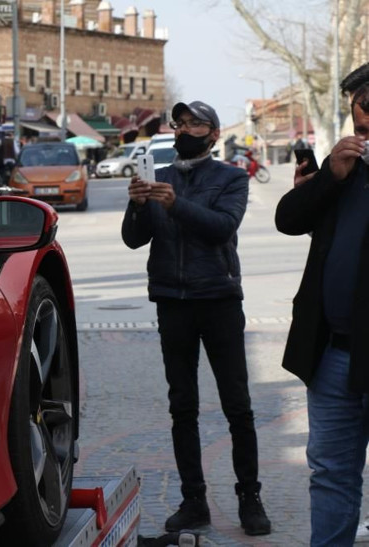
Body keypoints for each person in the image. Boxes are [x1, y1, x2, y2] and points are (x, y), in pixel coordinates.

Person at [121, 100, 271, 537]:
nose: (186, 129)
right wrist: (136, 205)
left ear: (214, 134)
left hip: (218, 298)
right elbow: (135, 240)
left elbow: (222, 226)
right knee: (181, 407)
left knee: (237, 406)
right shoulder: (159, 176)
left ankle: (250, 497)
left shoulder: (231, 177)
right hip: (173, 300)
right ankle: (193, 499)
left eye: (196, 124)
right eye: (180, 123)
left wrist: (174, 206)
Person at [275, 62, 369, 547]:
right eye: (360, 117)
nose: (365, 128)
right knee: (331, 474)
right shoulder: (344, 170)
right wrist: (326, 179)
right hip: (332, 354)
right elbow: (287, 220)